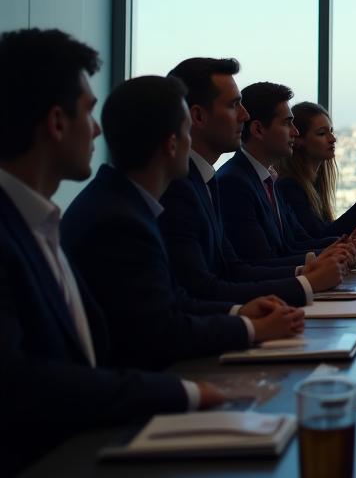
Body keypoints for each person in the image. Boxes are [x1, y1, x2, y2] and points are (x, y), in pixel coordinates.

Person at [0, 29, 221, 473]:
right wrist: (186, 392)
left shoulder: (40, 223)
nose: (97, 129)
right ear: (57, 123)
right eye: (88, 112)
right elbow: (22, 384)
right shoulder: (85, 220)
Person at [62, 76, 304, 370]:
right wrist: (251, 328)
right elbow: (160, 331)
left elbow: (174, 299)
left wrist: (240, 311)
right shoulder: (119, 218)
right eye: (187, 131)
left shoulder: (128, 202)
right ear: (172, 144)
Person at [159, 58, 348, 307]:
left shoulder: (208, 180)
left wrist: (314, 266)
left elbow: (233, 269)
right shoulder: (210, 184)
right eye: (233, 105)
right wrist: (307, 279)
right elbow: (203, 287)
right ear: (198, 116)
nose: (244, 115)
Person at [219, 82, 356, 262]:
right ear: (258, 129)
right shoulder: (234, 183)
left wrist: (346, 246)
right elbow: (262, 262)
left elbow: (296, 243)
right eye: (287, 123)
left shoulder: (266, 179)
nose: (294, 132)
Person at [274, 101, 356, 252]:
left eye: (331, 131)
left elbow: (323, 236)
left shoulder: (311, 183)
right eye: (322, 133)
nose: (332, 139)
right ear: (298, 139)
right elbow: (318, 240)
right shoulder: (290, 186)